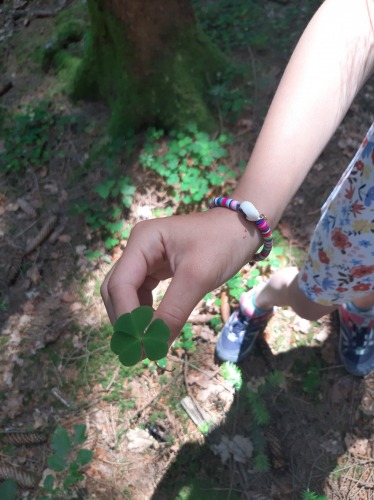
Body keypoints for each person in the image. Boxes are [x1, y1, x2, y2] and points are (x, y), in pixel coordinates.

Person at [101, 0, 374, 377]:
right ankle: (260, 300)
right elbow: (362, 13)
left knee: (365, 294)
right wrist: (242, 217)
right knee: (312, 305)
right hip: (365, 228)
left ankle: (360, 310)